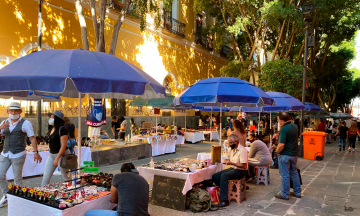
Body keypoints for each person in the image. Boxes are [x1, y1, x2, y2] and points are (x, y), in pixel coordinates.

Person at [0, 102, 42, 207]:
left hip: (18, 154)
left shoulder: (25, 123)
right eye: (11, 111)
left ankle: (18, 201)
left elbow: (32, 138)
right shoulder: (4, 122)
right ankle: (7, 195)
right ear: (8, 111)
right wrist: (1, 128)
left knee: (17, 178)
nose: (13, 113)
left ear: (20, 111)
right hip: (5, 153)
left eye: (16, 111)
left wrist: (36, 152)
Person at [85, 163, 149, 216]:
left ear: (122, 171)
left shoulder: (118, 176)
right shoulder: (144, 180)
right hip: (143, 214)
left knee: (88, 213)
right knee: (119, 205)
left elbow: (113, 199)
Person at [212, 134, 248, 207]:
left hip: (241, 170)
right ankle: (224, 191)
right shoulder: (230, 149)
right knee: (215, 176)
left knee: (224, 176)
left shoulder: (242, 150)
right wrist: (227, 160)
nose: (229, 144)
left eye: (231, 142)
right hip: (233, 168)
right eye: (229, 142)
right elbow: (228, 159)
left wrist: (231, 162)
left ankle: (225, 200)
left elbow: (244, 166)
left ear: (236, 142)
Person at [274, 112, 301, 200]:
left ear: (282, 120)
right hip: (294, 154)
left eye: (278, 120)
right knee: (294, 173)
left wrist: (277, 151)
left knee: (285, 174)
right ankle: (297, 192)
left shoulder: (284, 129)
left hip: (285, 155)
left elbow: (281, 144)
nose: (278, 121)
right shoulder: (294, 127)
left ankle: (284, 194)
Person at [41, 110, 71, 186]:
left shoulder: (62, 129)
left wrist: (57, 158)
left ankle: (71, 192)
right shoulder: (51, 129)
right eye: (50, 117)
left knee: (66, 177)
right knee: (46, 177)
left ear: (57, 119)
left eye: (53, 117)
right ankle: (41, 193)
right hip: (52, 154)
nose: (50, 118)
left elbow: (63, 145)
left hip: (61, 155)